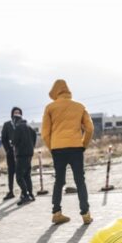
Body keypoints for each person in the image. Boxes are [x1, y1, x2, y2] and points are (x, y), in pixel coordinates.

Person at [41, 79, 94, 225]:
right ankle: (86, 214)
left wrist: (52, 147)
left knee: (59, 180)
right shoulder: (79, 107)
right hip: (76, 147)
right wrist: (83, 144)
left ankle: (56, 213)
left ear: (55, 92)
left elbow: (45, 133)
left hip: (58, 148)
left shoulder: (50, 108)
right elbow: (89, 128)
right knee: (80, 180)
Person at [12, 113, 37, 206]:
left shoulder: (18, 128)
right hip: (29, 155)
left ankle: (26, 195)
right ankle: (31, 194)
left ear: (15, 120)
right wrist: (31, 147)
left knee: (19, 177)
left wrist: (13, 143)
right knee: (27, 176)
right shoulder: (30, 127)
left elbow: (14, 141)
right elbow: (35, 138)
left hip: (21, 155)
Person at [0, 107, 22, 201]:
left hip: (21, 153)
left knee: (22, 173)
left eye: (18, 112)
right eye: (15, 112)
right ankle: (11, 192)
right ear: (12, 114)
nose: (16, 114)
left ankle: (24, 192)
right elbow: (3, 139)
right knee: (11, 173)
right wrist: (8, 150)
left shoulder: (23, 124)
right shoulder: (7, 124)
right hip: (11, 153)